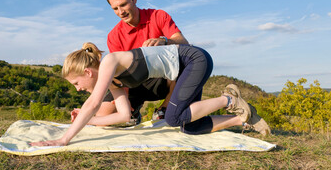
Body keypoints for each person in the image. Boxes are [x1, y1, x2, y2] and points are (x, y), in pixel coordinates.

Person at [31, 42, 271, 147]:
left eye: (76, 82)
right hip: (185, 70)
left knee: (174, 117)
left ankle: (230, 99)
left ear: (86, 72)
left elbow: (93, 102)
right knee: (190, 127)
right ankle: (243, 118)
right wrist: (91, 121)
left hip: (194, 60)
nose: (77, 88)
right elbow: (124, 116)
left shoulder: (110, 61)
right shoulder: (114, 79)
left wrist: (64, 139)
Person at [74, 0, 189, 123]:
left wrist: (164, 41)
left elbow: (183, 42)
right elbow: (120, 73)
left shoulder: (158, 16)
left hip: (163, 80)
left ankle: (164, 109)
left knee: (183, 61)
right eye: (115, 8)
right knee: (102, 117)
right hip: (134, 84)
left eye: (123, 5)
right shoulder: (114, 36)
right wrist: (125, 102)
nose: (120, 12)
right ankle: (134, 112)